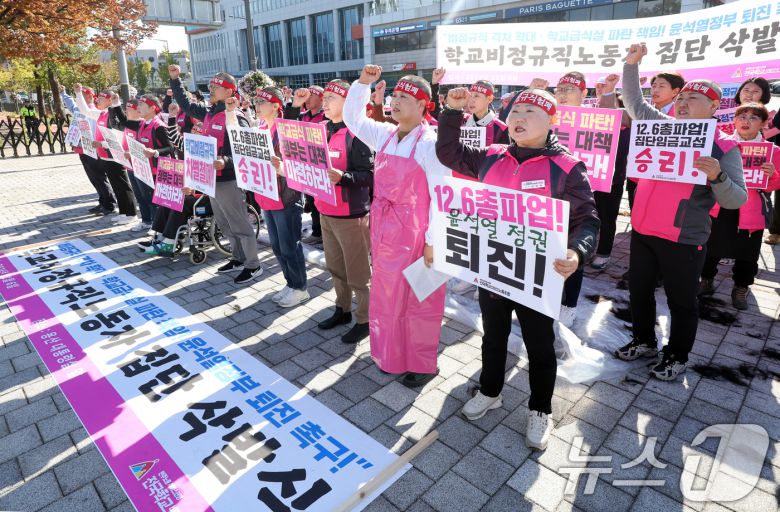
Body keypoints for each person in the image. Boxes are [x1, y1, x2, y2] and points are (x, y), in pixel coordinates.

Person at [437, 87, 598, 450]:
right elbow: (447, 152)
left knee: (539, 345)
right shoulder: (491, 157)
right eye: (514, 112)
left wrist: (576, 252)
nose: (519, 118)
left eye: (530, 111)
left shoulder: (567, 167)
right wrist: (450, 110)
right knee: (492, 336)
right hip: (494, 268)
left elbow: (588, 219)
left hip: (537, 277)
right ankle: (490, 390)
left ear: (551, 119)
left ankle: (540, 408)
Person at [613, 44, 747, 381]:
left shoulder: (724, 145)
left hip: (683, 237)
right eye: (682, 98)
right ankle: (644, 340)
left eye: (694, 99)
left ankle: (677, 355)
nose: (684, 104)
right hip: (643, 229)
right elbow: (635, 103)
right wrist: (631, 65)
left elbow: (736, 200)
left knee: (681, 302)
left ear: (715, 106)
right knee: (639, 292)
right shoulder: (663, 125)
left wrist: (717, 175)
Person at [343, 65, 452, 388]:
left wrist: (433, 240)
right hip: (386, 227)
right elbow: (353, 119)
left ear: (423, 106)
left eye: (406, 97)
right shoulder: (385, 134)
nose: (397, 101)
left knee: (419, 297)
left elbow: (442, 196)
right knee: (387, 294)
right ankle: (389, 353)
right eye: (396, 95)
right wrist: (363, 84)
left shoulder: (430, 144)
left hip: (417, 231)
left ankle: (422, 361)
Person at [168, 64, 263, 285]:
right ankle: (238, 258)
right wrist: (175, 79)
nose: (211, 89)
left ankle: (253, 264)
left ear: (230, 91)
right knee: (224, 222)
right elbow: (185, 104)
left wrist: (225, 162)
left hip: (228, 179)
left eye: (217, 86)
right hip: (211, 180)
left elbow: (243, 150)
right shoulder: (210, 113)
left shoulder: (235, 116)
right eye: (210, 86)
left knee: (239, 223)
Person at [228, 87, 309, 307]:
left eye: (263, 102)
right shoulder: (260, 127)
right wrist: (230, 113)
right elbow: (238, 138)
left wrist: (281, 166)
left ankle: (300, 287)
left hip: (286, 197)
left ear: (276, 106)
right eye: (256, 101)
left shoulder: (286, 128)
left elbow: (299, 157)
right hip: (266, 196)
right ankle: (291, 283)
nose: (257, 105)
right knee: (277, 246)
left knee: (290, 245)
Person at [699, 102, 779, 309]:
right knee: (711, 246)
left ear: (763, 123)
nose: (746, 121)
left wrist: (773, 175)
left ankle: (741, 288)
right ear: (734, 120)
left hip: (751, 210)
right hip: (719, 205)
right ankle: (706, 280)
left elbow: (775, 185)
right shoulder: (720, 144)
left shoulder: (773, 151)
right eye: (742, 116)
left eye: (753, 118)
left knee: (748, 253)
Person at [312, 80, 375, 344]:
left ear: (348, 103)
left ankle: (365, 319)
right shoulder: (320, 130)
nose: (324, 102)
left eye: (331, 98)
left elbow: (371, 175)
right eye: (324, 97)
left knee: (359, 274)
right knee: (336, 268)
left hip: (352, 216)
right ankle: (342, 309)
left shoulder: (357, 133)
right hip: (325, 211)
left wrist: (344, 177)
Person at [74, 84, 138, 224]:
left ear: (110, 100)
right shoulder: (101, 113)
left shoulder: (114, 114)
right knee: (116, 186)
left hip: (115, 155)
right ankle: (124, 212)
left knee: (122, 185)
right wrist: (78, 93)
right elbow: (84, 110)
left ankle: (131, 214)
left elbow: (120, 138)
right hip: (104, 156)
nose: (97, 101)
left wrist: (101, 144)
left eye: (101, 99)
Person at [60, 85, 117, 216]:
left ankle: (110, 203)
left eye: (83, 95)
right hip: (82, 149)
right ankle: (103, 201)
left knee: (99, 177)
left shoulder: (93, 111)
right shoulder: (79, 110)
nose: (79, 98)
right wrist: (64, 93)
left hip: (93, 149)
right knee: (94, 178)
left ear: (90, 96)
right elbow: (71, 104)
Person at [300, 86, 326, 245]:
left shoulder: (327, 117)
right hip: (306, 166)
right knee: (311, 200)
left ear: (322, 98)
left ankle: (324, 233)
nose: (307, 100)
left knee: (323, 203)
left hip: (322, 168)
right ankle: (317, 232)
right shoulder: (303, 116)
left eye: (311, 96)